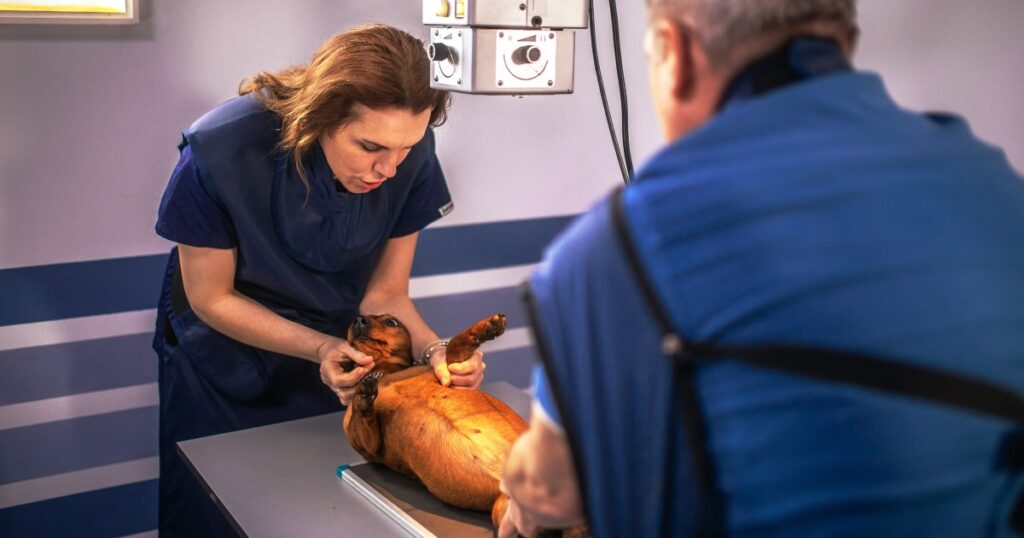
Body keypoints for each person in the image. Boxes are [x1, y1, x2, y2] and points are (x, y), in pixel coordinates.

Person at [499, 1, 1024, 537]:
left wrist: (517, 486)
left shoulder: (620, 248)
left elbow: (552, 491)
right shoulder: (999, 188)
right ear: (841, 40)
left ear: (674, 56)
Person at [152, 24, 486, 536]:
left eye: (405, 149)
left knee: (317, 508)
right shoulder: (219, 151)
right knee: (216, 513)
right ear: (321, 119)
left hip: (337, 356)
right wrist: (321, 348)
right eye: (370, 146)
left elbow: (386, 294)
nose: (389, 168)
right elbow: (211, 297)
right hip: (222, 361)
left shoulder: (408, 148)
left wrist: (436, 350)